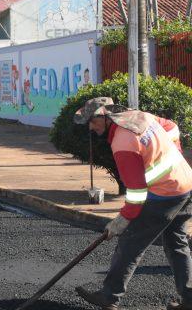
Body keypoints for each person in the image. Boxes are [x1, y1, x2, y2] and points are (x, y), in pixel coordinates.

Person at [73, 97, 192, 310]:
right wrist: (170, 152)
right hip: (185, 184)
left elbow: (136, 194)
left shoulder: (123, 142)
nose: (90, 127)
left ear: (105, 116)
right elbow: (171, 127)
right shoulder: (140, 117)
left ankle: (109, 296)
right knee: (176, 243)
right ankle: (190, 299)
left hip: (164, 194)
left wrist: (121, 221)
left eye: (92, 121)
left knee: (130, 244)